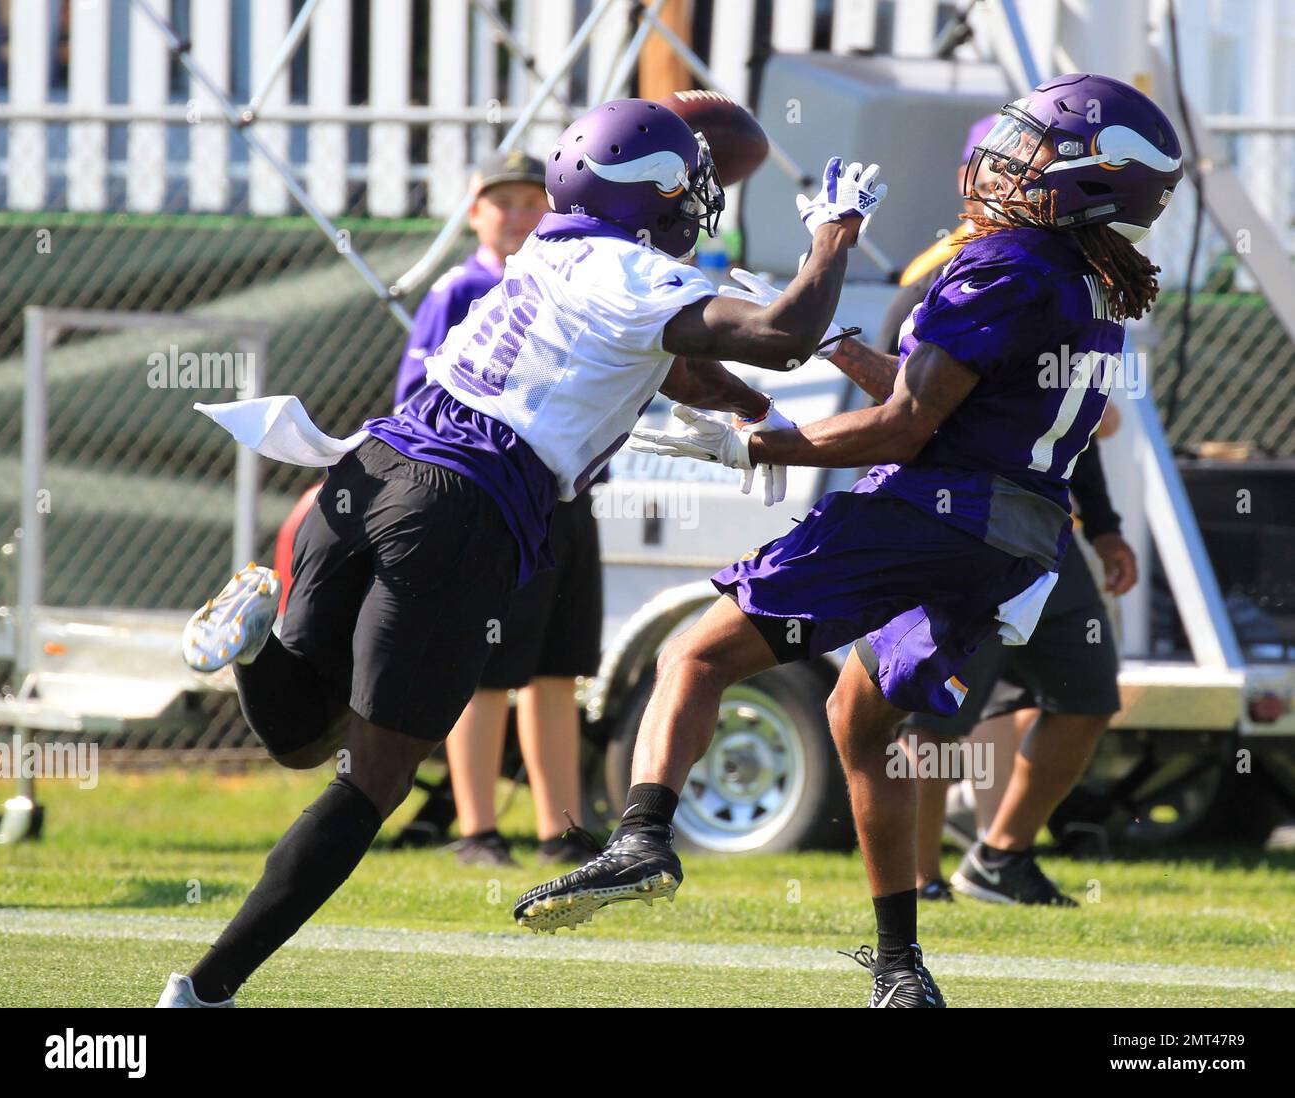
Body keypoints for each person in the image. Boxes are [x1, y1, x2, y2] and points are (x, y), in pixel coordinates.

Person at [159, 98, 881, 1007]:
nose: (700, 198)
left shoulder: (547, 245)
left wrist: (743, 409)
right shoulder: (632, 275)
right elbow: (784, 335)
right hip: (459, 511)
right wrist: (835, 235)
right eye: (687, 185)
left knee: (301, 738)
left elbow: (670, 359)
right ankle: (205, 991)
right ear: (651, 193)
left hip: (371, 469)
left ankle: (256, 643)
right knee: (369, 786)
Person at [515, 73, 1183, 1010]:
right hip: (1015, 539)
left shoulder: (1003, 264)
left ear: (1088, 175)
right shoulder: (1090, 278)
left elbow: (909, 429)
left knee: (693, 658)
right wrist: (833, 347)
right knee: (863, 723)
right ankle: (903, 970)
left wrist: (762, 442)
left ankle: (640, 839)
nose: (999, 164)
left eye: (1028, 150)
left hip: (929, 511)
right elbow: (948, 407)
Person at [870, 118, 1138, 905]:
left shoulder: (1071, 273)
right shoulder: (951, 272)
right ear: (979, 176)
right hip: (957, 519)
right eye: (1019, 167)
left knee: (1087, 695)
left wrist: (1108, 523)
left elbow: (1072, 427)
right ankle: (919, 884)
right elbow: (900, 410)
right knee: (934, 714)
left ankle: (999, 857)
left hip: (1044, 523)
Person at [395, 151, 598, 868]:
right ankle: (476, 829)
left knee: (555, 671)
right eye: (501, 201)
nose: (517, 215)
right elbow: (417, 401)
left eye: (530, 201)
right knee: (486, 671)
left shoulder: (573, 287)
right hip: (496, 501)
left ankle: (560, 831)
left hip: (566, 498)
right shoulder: (462, 290)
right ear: (475, 212)